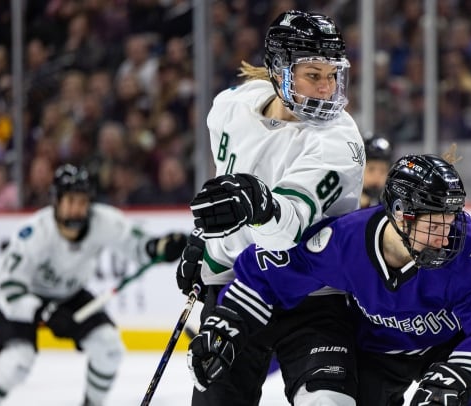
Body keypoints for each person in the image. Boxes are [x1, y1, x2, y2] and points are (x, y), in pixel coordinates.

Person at [188, 154, 471, 406]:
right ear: (401, 214)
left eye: (450, 221)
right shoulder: (344, 241)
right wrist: (230, 320)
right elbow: (266, 272)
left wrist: (460, 375)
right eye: (434, 225)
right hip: (380, 352)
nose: (446, 239)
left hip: (449, 348)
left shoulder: (470, 253)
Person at [176, 10, 365, 406]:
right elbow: (226, 185)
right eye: (313, 75)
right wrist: (207, 243)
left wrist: (258, 206)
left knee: (329, 403)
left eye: (332, 75)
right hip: (236, 292)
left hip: (313, 295)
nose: (327, 89)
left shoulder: (338, 142)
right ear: (279, 71)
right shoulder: (231, 108)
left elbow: (286, 232)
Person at [0, 164, 187, 406]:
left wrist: (160, 247)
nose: (77, 209)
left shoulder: (103, 221)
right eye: (71, 201)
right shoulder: (35, 234)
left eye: (83, 202)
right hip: (25, 298)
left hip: (70, 296)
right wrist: (42, 311)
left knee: (108, 347)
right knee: (17, 362)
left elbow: (137, 245)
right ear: (57, 201)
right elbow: (6, 285)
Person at [360, 135, 393, 208]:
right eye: (371, 169)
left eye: (383, 170)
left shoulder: (392, 206)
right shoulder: (348, 205)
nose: (377, 175)